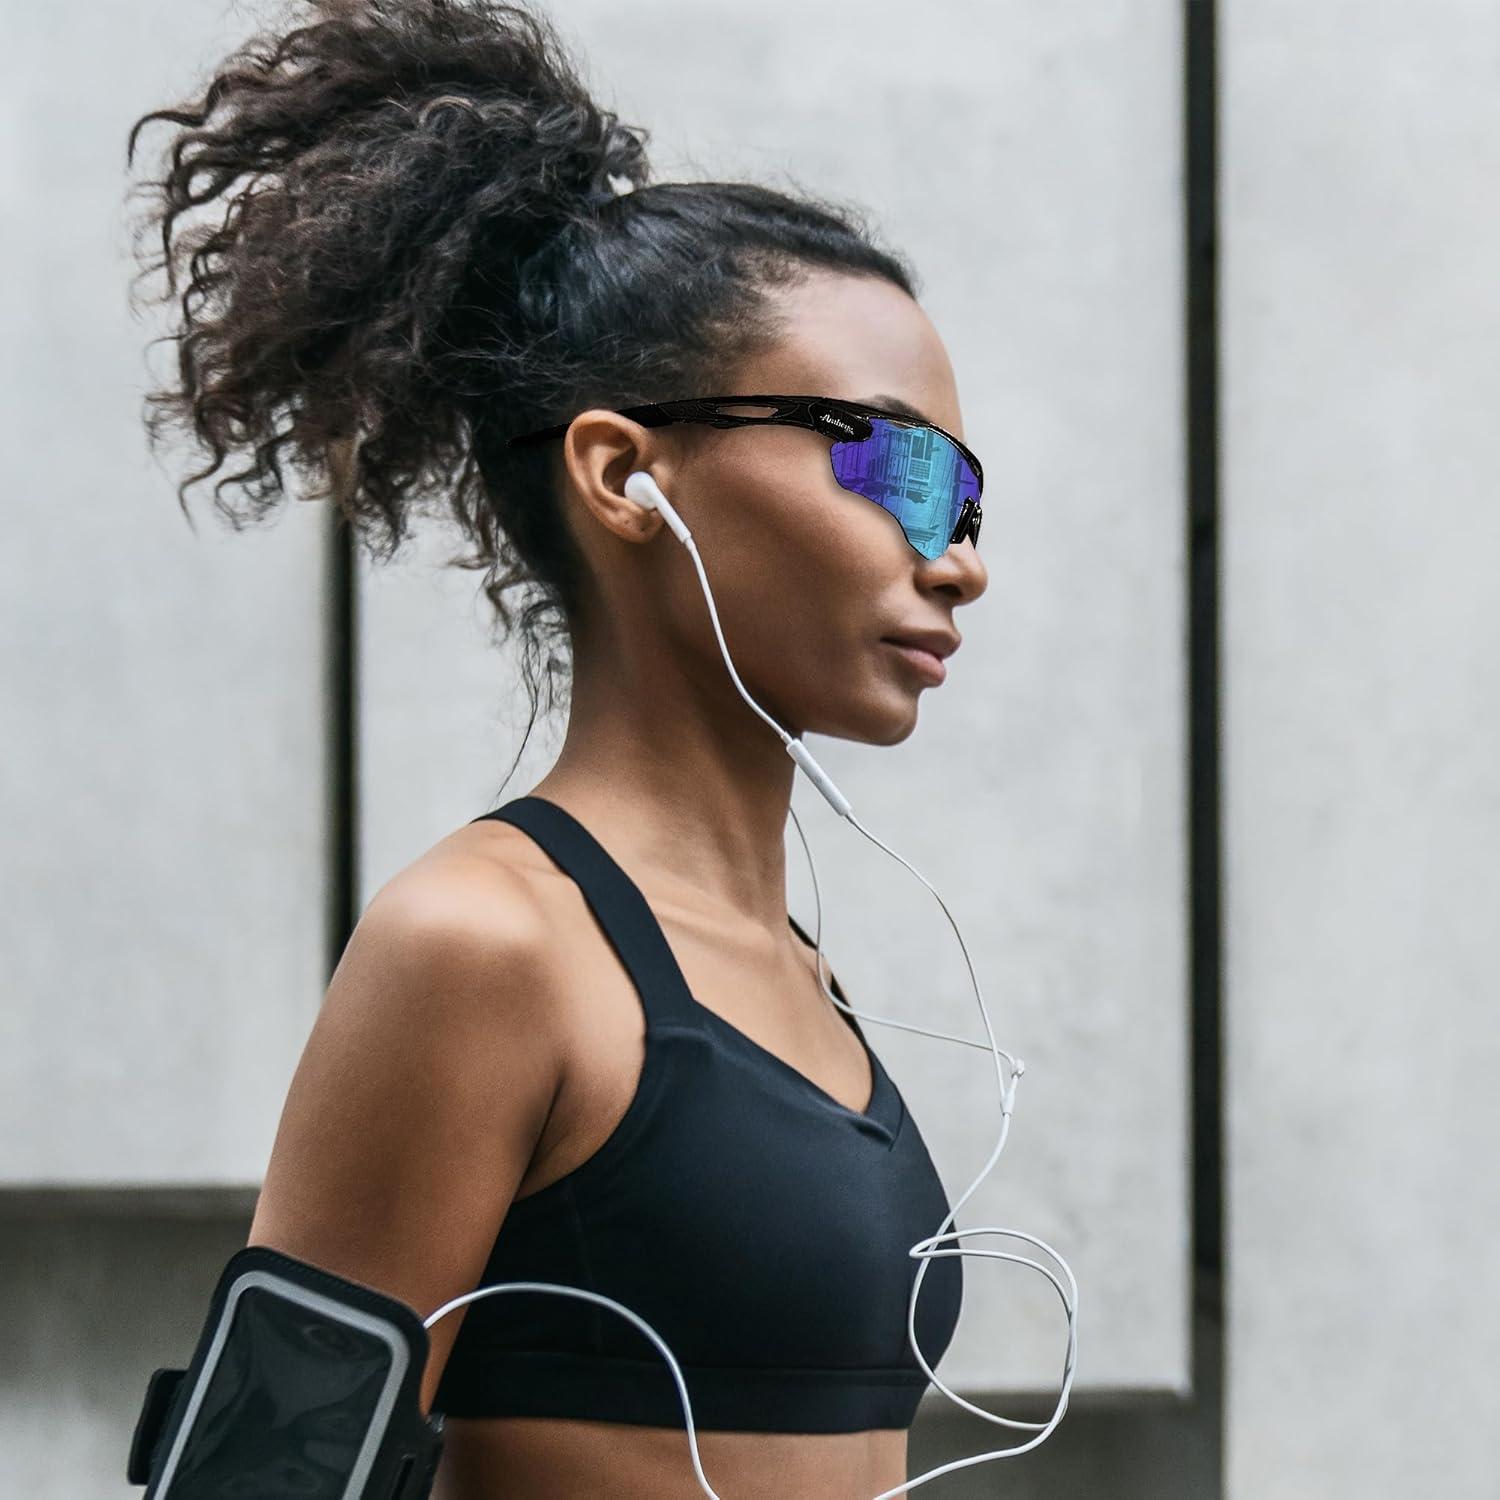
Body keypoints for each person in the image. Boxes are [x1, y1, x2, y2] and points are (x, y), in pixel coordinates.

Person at [125, 2, 989, 1494]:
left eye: (967, 498)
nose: (958, 556)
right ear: (622, 474)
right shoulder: (482, 945)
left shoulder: (792, 968)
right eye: (899, 466)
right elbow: (254, 1484)